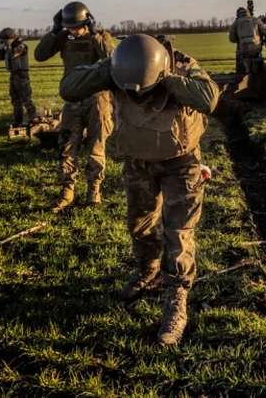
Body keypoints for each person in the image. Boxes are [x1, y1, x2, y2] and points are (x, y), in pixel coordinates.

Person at [60, 34, 219, 345]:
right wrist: (107, 70)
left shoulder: (183, 68)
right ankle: (148, 271)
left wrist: (170, 80)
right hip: (138, 164)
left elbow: (209, 98)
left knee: (178, 232)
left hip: (181, 163)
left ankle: (176, 298)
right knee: (140, 225)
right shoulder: (117, 69)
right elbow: (69, 88)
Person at [34, 1, 117, 211]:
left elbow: (112, 59)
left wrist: (96, 34)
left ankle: (93, 191)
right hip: (73, 100)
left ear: (87, 22)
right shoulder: (63, 38)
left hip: (98, 100)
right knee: (67, 147)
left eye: (76, 26)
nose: (72, 31)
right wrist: (54, 32)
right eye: (68, 27)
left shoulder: (101, 37)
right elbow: (40, 55)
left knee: (96, 148)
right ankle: (67, 191)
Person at [0, 27, 37, 125]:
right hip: (13, 74)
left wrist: (8, 47)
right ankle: (18, 121)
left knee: (26, 98)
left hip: (21, 75)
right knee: (15, 99)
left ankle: (33, 119)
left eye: (4, 40)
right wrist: (1, 50)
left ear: (10, 38)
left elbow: (14, 55)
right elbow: (1, 58)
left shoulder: (21, 46)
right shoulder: (9, 46)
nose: (3, 42)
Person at [228, 6, 266, 76]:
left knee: (243, 62)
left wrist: (240, 39)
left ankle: (246, 73)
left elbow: (231, 38)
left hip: (243, 50)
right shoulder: (255, 19)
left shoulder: (236, 23)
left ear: (238, 14)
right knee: (258, 61)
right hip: (256, 49)